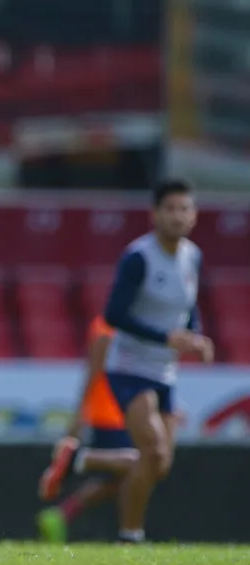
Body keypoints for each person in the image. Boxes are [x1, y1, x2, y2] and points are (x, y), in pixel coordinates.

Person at [101, 179, 213, 543]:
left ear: (194, 215)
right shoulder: (139, 258)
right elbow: (113, 314)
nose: (178, 216)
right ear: (155, 215)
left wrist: (194, 336)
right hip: (130, 366)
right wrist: (166, 337)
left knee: (159, 464)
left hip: (165, 371)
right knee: (154, 449)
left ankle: (85, 460)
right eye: (170, 209)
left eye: (185, 209)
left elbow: (186, 305)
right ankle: (129, 536)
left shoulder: (192, 256)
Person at [35, 316, 139, 543]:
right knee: (139, 466)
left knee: (120, 479)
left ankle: (62, 514)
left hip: (124, 412)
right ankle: (78, 460)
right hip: (111, 415)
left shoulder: (127, 327)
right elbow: (93, 373)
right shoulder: (108, 329)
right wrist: (80, 416)